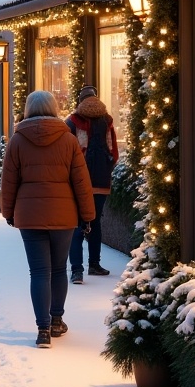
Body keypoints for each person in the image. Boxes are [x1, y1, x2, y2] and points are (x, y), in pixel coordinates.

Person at [0, 90, 95, 350]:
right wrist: (87, 215)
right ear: (54, 108)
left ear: (29, 109)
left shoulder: (18, 140)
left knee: (39, 271)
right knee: (58, 269)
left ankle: (42, 330)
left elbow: (8, 181)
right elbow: (81, 181)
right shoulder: (68, 139)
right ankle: (56, 320)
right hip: (63, 215)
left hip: (29, 215)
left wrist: (8, 211)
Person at [65, 85, 119, 284]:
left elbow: (66, 151)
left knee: (77, 224)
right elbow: (114, 152)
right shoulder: (108, 120)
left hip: (78, 182)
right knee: (95, 222)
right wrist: (106, 170)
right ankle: (94, 264)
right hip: (101, 182)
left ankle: (77, 270)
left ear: (80, 101)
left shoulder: (72, 121)